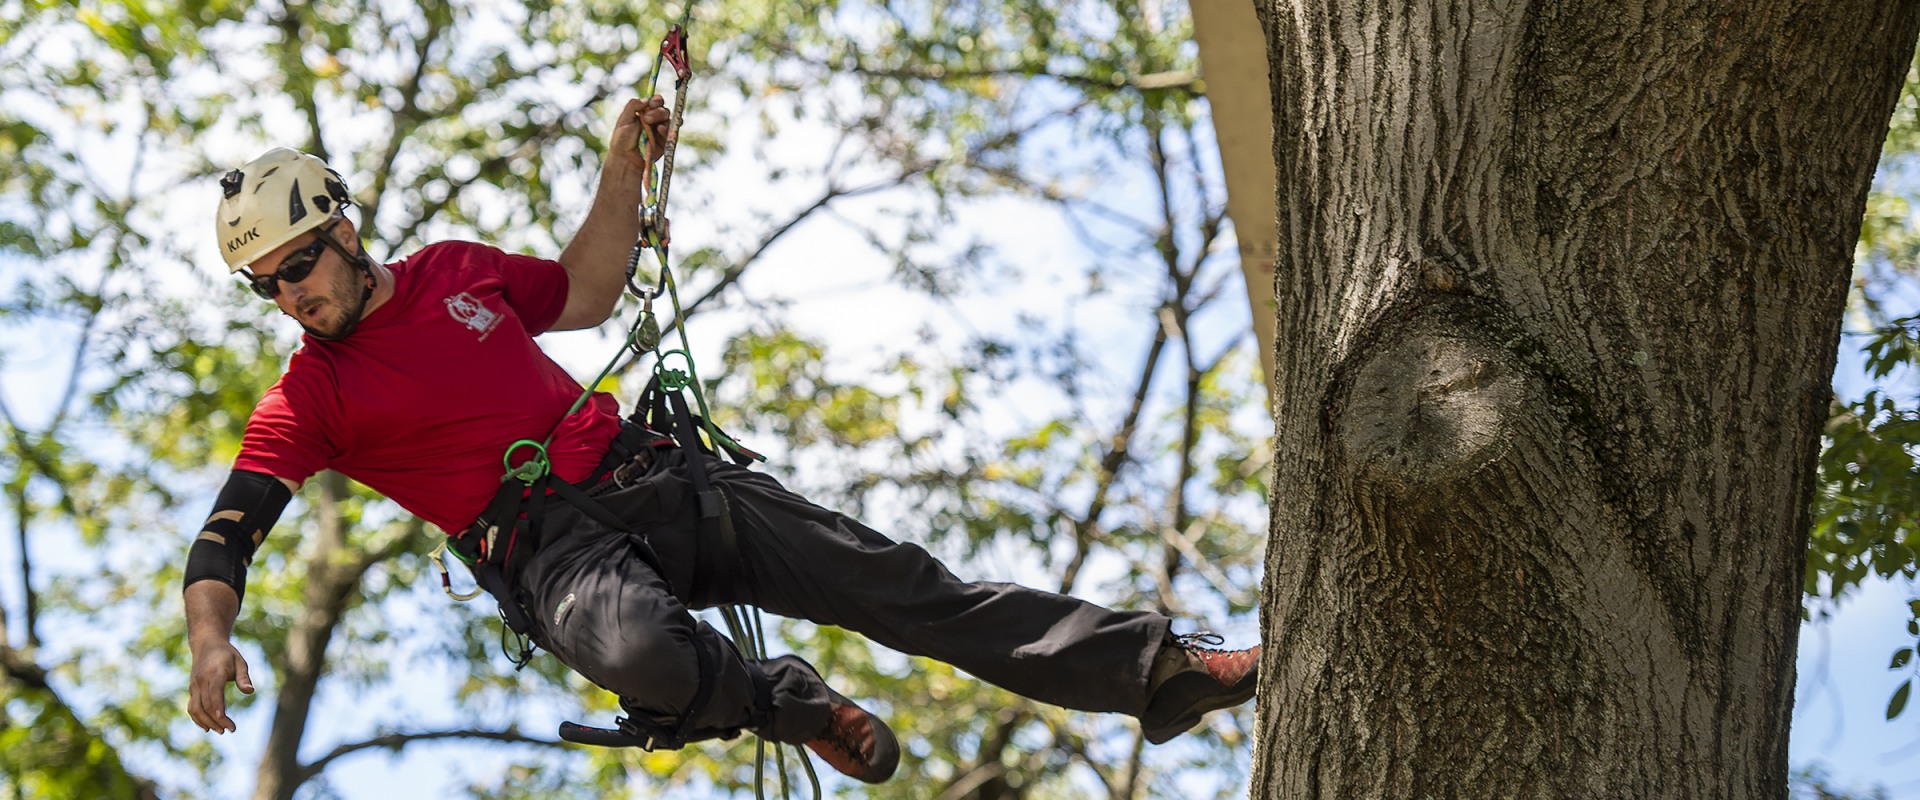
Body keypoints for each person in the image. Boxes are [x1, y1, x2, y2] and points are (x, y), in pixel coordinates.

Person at [182, 96, 1259, 784]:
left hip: (656, 477)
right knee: (645, 656)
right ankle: (791, 700)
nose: (288, 294)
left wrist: (623, 165)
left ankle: (1159, 670)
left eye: (298, 264)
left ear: (345, 228)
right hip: (555, 552)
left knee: (904, 585)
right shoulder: (309, 397)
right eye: (264, 283)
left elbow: (589, 290)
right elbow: (227, 536)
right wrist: (209, 635)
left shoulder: (457, 272)